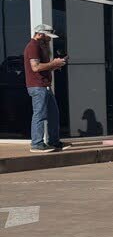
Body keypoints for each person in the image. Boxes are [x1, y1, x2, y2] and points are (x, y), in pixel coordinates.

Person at [23, 24, 66, 153]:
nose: (50, 39)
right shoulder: (33, 46)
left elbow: (43, 67)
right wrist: (53, 63)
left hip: (44, 86)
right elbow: (35, 67)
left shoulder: (40, 46)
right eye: (48, 36)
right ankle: (36, 143)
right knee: (40, 114)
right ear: (40, 34)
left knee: (53, 114)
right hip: (37, 87)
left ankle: (53, 142)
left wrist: (55, 65)